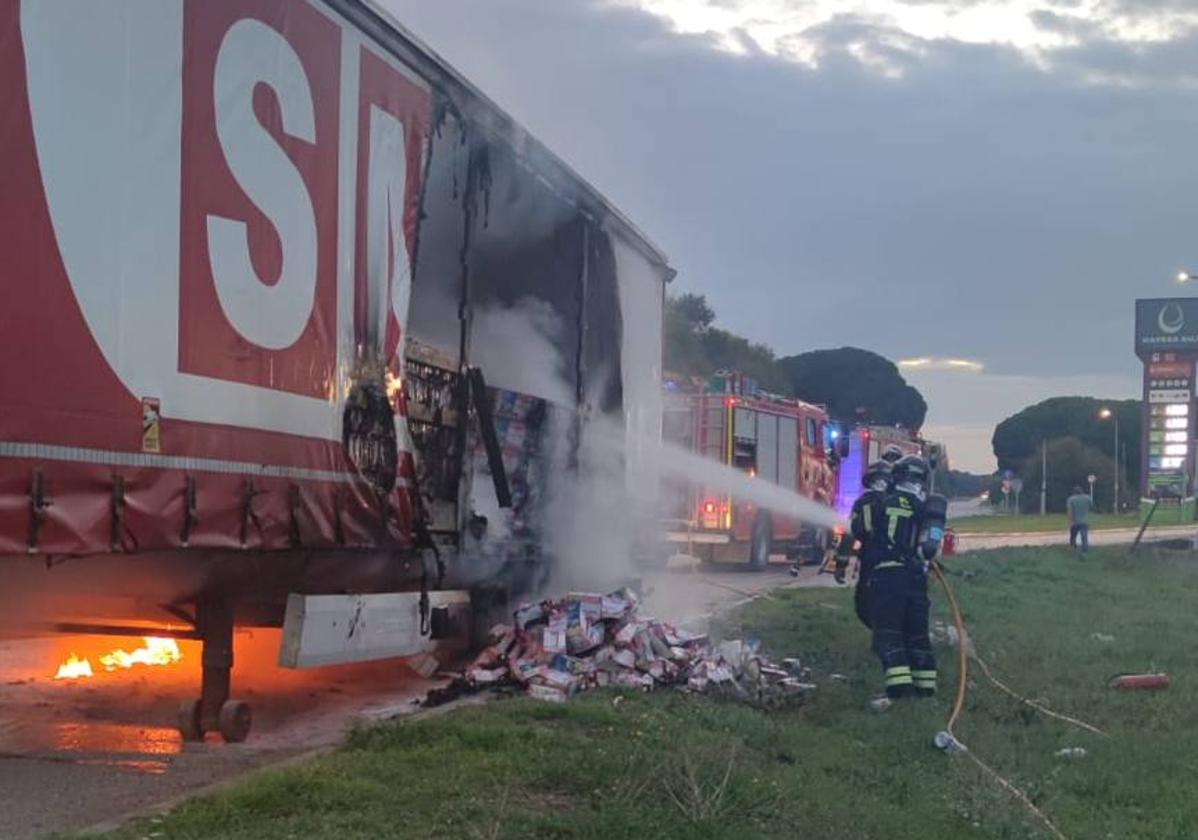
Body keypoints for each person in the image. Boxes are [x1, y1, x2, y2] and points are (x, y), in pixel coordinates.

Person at [868, 455, 947, 704]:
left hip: (888, 577)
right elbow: (929, 549)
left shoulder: (882, 502)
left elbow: (866, 532)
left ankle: (899, 693)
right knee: (917, 635)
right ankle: (925, 692)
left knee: (889, 635)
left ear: (897, 475)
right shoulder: (926, 508)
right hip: (916, 578)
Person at [845, 459, 893, 627]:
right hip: (896, 561)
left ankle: (880, 634)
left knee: (864, 603)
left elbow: (853, 532)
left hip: (869, 559)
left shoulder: (862, 503)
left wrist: (840, 565)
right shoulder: (895, 502)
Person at [1067, 485, 1092, 554]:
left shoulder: (1071, 499)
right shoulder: (1087, 498)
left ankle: (1073, 547)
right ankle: (1085, 551)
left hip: (1075, 522)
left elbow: (1070, 511)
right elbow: (1090, 507)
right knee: (1084, 537)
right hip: (1085, 521)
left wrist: (1070, 521)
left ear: (1074, 492)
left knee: (1073, 536)